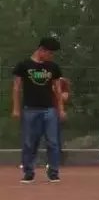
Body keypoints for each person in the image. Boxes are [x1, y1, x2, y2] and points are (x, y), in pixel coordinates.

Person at [12, 36, 67, 183]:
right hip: (30, 109)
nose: (51, 56)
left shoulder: (53, 67)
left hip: (49, 109)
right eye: (50, 53)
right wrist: (16, 108)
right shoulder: (23, 65)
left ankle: (53, 172)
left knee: (53, 142)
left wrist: (61, 108)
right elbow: (16, 88)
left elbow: (57, 89)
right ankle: (28, 172)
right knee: (29, 142)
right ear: (41, 50)